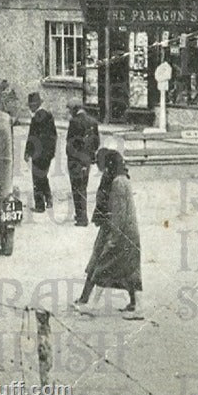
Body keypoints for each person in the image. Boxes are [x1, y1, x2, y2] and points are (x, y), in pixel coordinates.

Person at [74, 148, 142, 312]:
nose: (98, 167)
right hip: (122, 231)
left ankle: (91, 305)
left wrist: (112, 239)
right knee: (129, 271)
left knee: (102, 267)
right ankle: (135, 305)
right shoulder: (118, 178)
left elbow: (118, 214)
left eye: (99, 163)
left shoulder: (118, 182)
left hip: (118, 232)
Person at [65, 100, 100, 226]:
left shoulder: (74, 122)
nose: (69, 113)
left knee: (76, 188)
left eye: (69, 110)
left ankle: (81, 217)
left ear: (74, 109)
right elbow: (97, 143)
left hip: (75, 160)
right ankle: (81, 214)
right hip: (86, 160)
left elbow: (70, 142)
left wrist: (70, 156)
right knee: (83, 187)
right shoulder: (93, 121)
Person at [24, 92, 57, 212]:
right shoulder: (49, 115)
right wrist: (52, 152)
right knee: (43, 176)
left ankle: (40, 205)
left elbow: (31, 137)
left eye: (30, 105)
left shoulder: (36, 118)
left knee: (37, 178)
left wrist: (27, 152)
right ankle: (48, 199)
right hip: (47, 154)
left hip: (38, 154)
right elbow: (54, 135)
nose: (29, 108)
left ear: (34, 105)